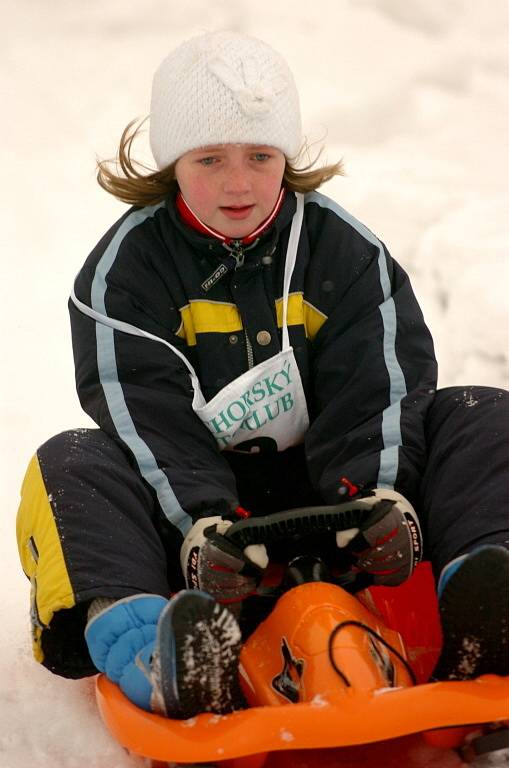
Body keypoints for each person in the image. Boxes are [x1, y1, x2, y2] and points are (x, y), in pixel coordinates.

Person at [17, 30, 509, 719]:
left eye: (259, 155)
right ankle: (159, 651)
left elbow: (379, 378)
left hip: (346, 502)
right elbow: (143, 411)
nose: (238, 182)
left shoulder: (341, 249)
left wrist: (380, 495)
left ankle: (488, 606)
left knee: (482, 413)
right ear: (170, 163)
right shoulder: (124, 272)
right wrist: (199, 524)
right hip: (200, 535)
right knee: (70, 463)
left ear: (286, 156)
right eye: (209, 158)